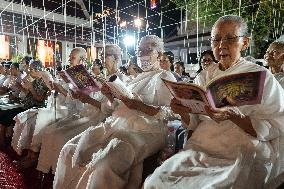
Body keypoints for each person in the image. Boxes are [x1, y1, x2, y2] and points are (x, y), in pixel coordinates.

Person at [143, 15, 284, 189]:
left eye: (230, 39)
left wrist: (234, 116)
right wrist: (182, 111)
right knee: (156, 182)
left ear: (245, 43)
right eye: (216, 40)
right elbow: (193, 123)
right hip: (203, 144)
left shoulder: (261, 77)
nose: (221, 45)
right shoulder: (203, 76)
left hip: (241, 146)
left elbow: (277, 123)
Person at [53, 36, 177, 189]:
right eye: (139, 51)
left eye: (147, 50)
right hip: (117, 124)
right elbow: (114, 107)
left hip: (147, 130)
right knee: (69, 149)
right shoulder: (134, 79)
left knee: (104, 165)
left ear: (159, 53)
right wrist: (109, 96)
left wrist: (140, 106)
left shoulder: (165, 76)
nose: (142, 54)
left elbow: (172, 113)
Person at [0, 60, 50, 149]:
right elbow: (27, 93)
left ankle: (4, 143)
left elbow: (40, 99)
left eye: (30, 70)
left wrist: (30, 87)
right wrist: (24, 87)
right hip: (24, 105)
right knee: (3, 114)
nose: (29, 72)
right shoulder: (35, 80)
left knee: (4, 117)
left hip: (32, 107)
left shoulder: (44, 81)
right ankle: (4, 140)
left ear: (37, 70)